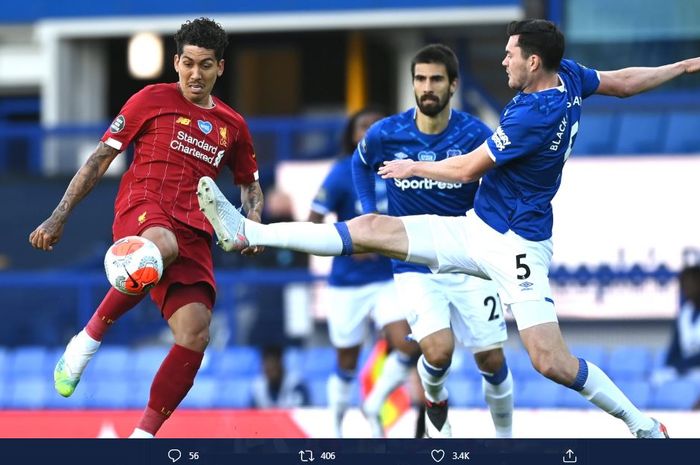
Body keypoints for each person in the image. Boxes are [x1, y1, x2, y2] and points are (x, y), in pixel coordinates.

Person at [197, 19, 700, 438]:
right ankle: (247, 232)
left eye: (510, 54)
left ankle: (643, 426)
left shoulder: (530, 113)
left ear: (532, 62)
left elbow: (465, 170)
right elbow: (624, 82)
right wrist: (681, 65)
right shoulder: (566, 75)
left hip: (517, 246)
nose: (503, 61)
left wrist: (413, 167)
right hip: (474, 227)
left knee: (551, 361)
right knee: (372, 226)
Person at [29, 17, 263, 438]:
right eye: (188, 63)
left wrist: (255, 225)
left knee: (194, 333)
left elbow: (250, 186)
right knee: (160, 245)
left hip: (195, 232)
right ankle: (86, 341)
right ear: (176, 62)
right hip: (144, 208)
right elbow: (99, 160)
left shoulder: (233, 126)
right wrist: (59, 215)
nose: (196, 74)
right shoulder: (150, 99)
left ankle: (142, 437)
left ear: (220, 69)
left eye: (206, 65)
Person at [352, 44, 513, 438]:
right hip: (415, 263)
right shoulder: (387, 133)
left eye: (436, 79)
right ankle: (435, 397)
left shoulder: (475, 133)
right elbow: (360, 163)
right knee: (437, 351)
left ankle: (507, 441)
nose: (427, 87)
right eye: (420, 79)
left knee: (491, 359)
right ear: (412, 84)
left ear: (453, 85)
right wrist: (370, 212)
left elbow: (502, 180)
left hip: (469, 257)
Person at [308, 107, 421, 438]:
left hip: (390, 278)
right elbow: (313, 221)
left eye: (376, 126)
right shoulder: (342, 172)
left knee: (409, 344)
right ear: (352, 134)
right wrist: (349, 242)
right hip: (347, 284)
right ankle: (336, 426)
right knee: (346, 360)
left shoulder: (399, 170)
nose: (369, 131)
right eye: (363, 126)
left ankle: (374, 403)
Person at [653, 265, 700, 409]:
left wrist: (684, 364)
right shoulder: (685, 313)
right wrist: (677, 366)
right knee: (658, 377)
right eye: (683, 284)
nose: (686, 288)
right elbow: (673, 352)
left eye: (690, 283)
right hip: (685, 369)